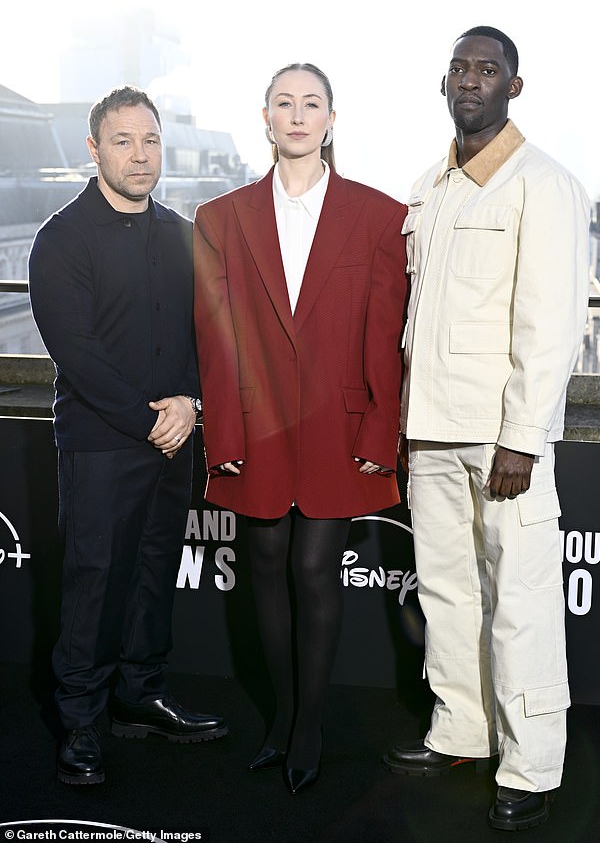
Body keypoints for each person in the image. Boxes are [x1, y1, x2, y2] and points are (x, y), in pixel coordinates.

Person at [382, 27, 590, 831]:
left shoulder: (546, 184)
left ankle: (532, 765)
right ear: (444, 83)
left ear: (515, 86)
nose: (473, 81)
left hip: (502, 438)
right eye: (461, 69)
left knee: (523, 601)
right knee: (447, 591)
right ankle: (461, 729)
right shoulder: (429, 186)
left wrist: (524, 435)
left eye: (489, 70)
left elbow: (551, 324)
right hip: (429, 430)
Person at [193, 63, 407, 794]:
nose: (297, 115)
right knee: (263, 568)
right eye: (284, 102)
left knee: (315, 568)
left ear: (331, 118)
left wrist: (382, 435)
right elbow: (213, 340)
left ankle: (310, 722)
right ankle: (282, 717)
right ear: (264, 116)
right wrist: (222, 440)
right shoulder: (219, 219)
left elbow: (386, 336)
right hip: (253, 422)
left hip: (338, 424)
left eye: (310, 103)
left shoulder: (380, 216)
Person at [28, 86, 227, 786]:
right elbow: (76, 355)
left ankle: (141, 696)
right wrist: (154, 418)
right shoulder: (61, 239)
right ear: (94, 149)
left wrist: (191, 402)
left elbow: (208, 333)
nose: (140, 155)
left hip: (173, 439)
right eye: (123, 141)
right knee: (93, 582)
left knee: (151, 572)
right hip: (101, 444)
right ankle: (79, 722)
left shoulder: (182, 232)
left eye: (149, 141)